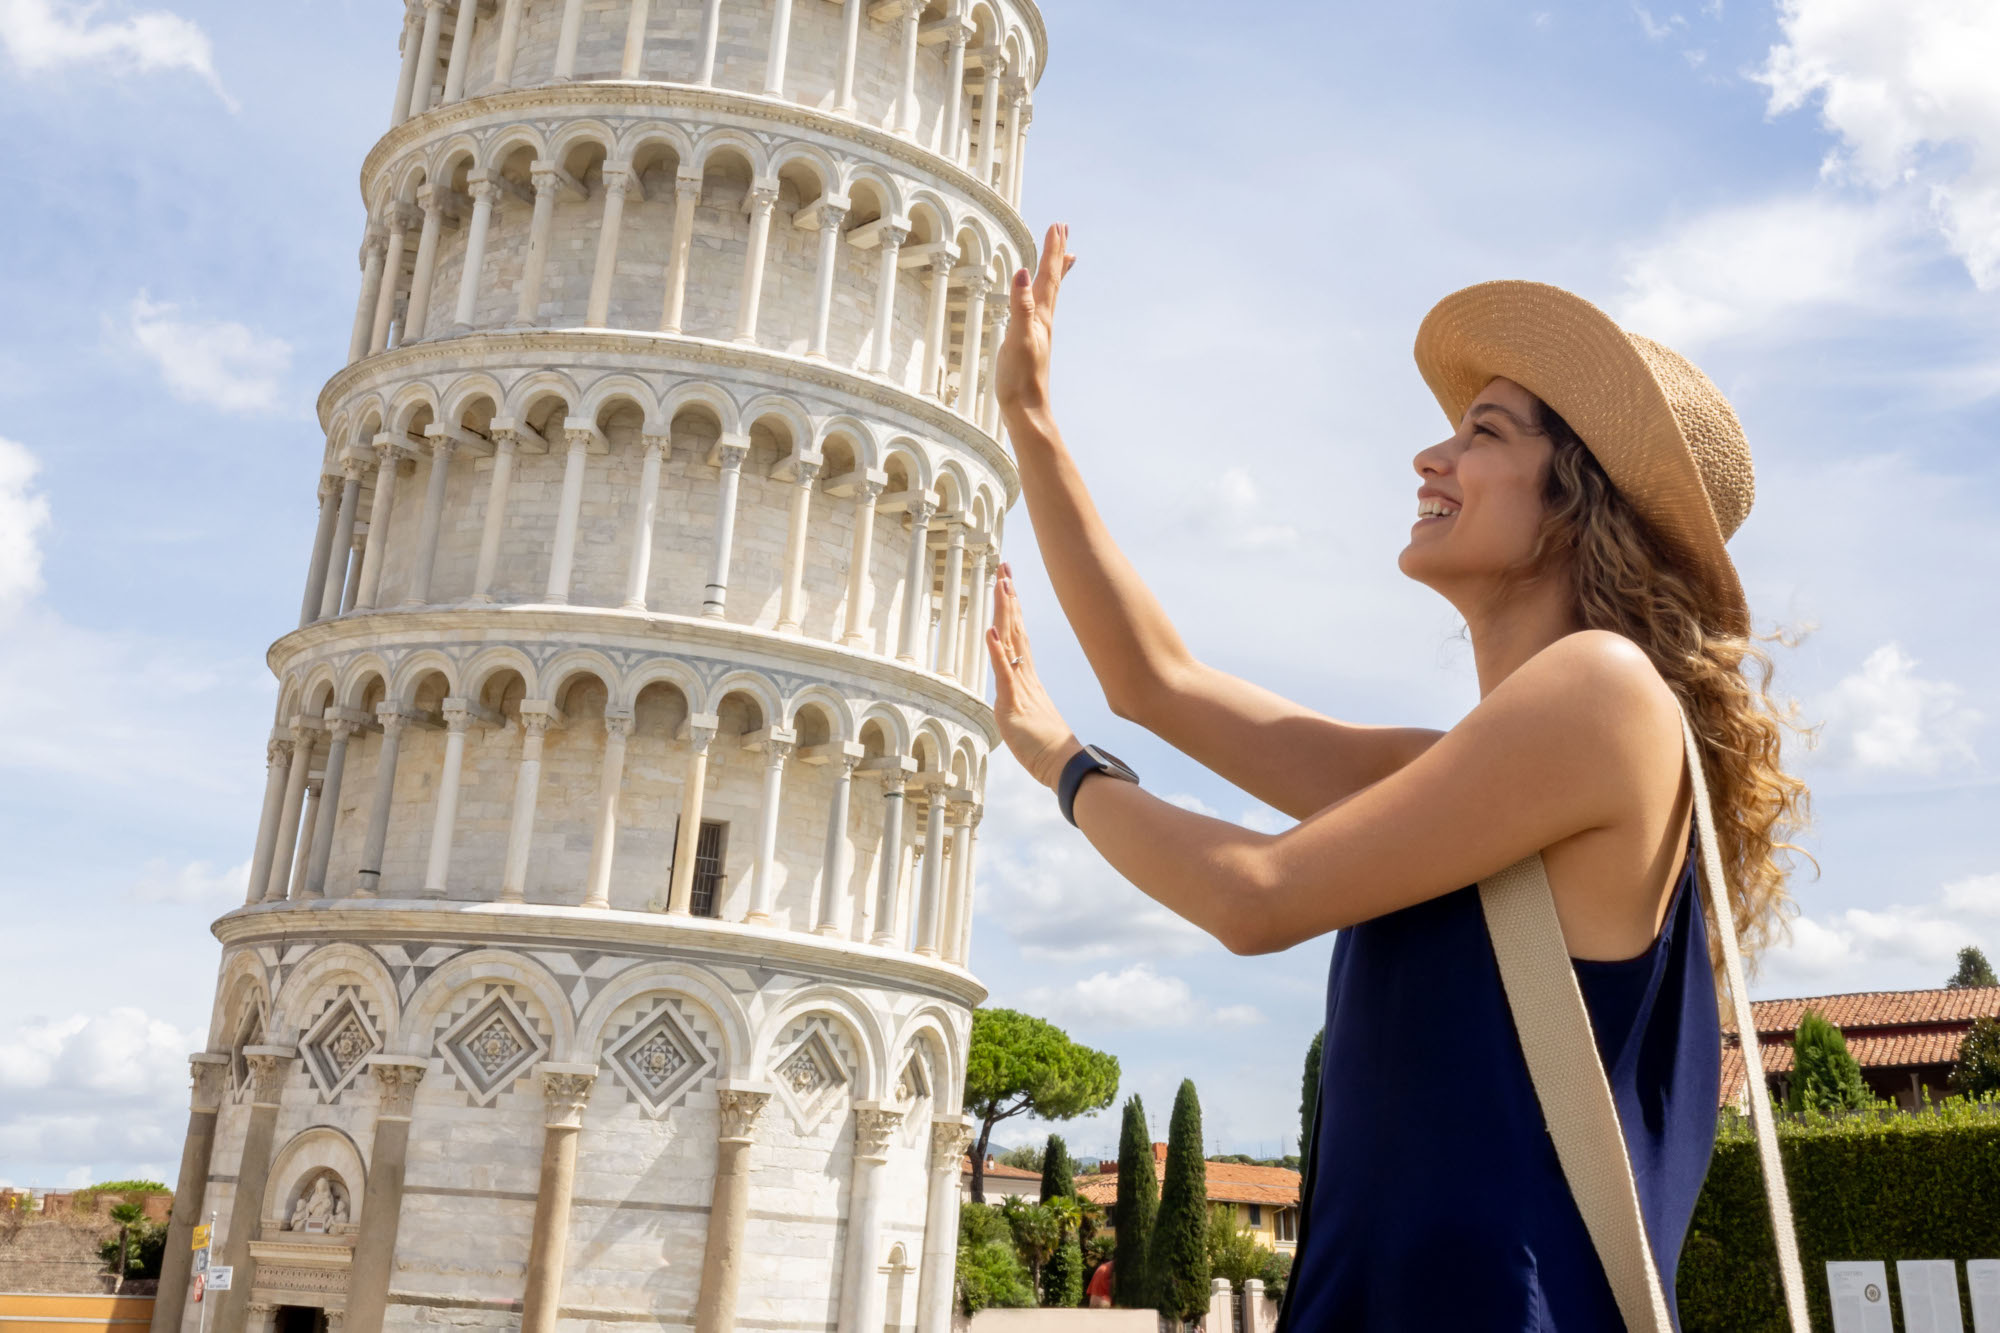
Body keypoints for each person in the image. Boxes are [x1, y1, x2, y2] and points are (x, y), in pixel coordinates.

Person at [984, 226, 1808, 1329]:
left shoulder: (1604, 693)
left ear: (1581, 497)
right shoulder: (1467, 776)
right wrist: (1030, 418)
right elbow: (1153, 681)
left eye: (1483, 432)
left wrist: (1064, 763)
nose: (1429, 456)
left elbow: (1251, 896)